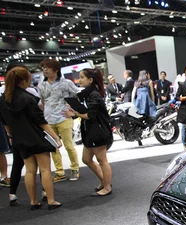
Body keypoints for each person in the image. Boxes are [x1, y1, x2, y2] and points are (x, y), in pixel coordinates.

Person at [0, 66, 63, 210]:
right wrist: (56, 138)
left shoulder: (3, 100)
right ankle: (51, 200)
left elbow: (4, 122)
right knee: (45, 169)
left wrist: (11, 136)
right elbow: (40, 121)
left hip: (19, 140)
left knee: (29, 170)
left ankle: (33, 201)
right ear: (23, 80)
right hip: (36, 138)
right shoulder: (28, 99)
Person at [63, 68, 113, 197]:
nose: (79, 80)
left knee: (102, 160)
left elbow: (90, 115)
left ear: (90, 80)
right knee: (86, 159)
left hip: (98, 131)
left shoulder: (94, 95)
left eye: (81, 77)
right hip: (90, 131)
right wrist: (74, 112)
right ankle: (104, 181)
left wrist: (75, 113)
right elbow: (84, 112)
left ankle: (107, 187)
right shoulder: (86, 94)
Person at [38, 58, 80, 183]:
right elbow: (42, 101)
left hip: (63, 117)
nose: (45, 69)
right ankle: (59, 172)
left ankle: (74, 168)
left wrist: (73, 112)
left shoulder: (66, 83)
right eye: (43, 67)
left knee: (68, 145)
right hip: (49, 120)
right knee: (53, 147)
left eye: (47, 67)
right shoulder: (41, 85)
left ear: (56, 69)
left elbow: (77, 96)